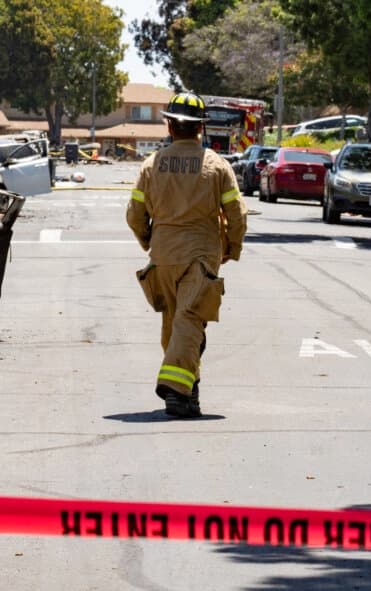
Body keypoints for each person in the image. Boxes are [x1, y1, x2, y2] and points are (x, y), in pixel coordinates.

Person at [126, 92, 247, 418]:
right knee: (190, 321)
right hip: (200, 256)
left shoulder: (152, 165)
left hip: (163, 256)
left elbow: (135, 215)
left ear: (169, 124)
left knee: (177, 325)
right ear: (200, 128)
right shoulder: (217, 166)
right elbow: (236, 214)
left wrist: (149, 240)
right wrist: (232, 249)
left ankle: (189, 392)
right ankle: (175, 386)